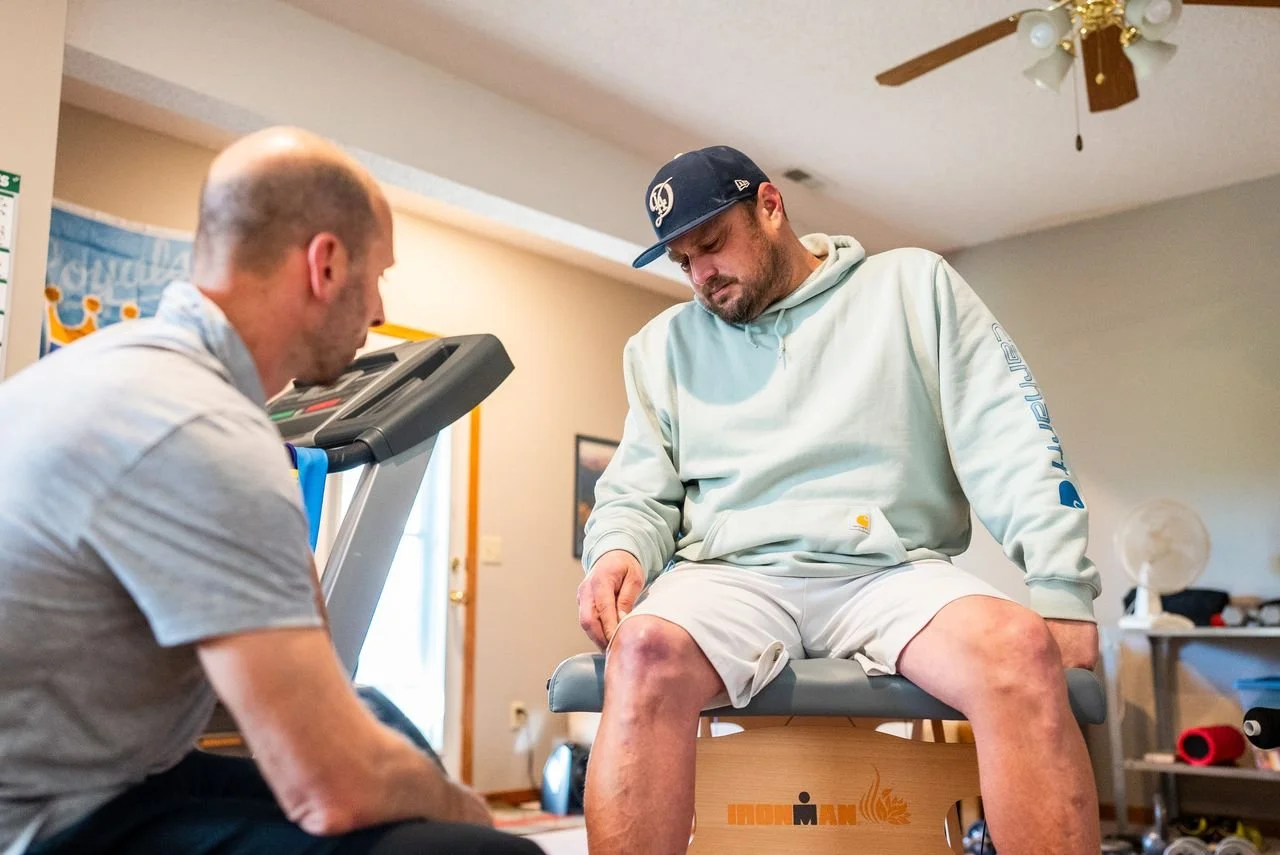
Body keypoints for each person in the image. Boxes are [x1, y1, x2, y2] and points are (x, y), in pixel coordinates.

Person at [0, 127, 541, 855]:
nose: (379, 308)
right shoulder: (203, 429)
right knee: (477, 850)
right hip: (45, 824)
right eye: (378, 273)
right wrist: (464, 807)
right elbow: (332, 786)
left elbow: (304, 640)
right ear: (325, 263)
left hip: (105, 774)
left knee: (377, 733)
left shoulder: (119, 367)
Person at [576, 145, 1102, 855]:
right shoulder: (661, 347)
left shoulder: (913, 287)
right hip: (731, 575)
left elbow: (1009, 436)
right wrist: (614, 549)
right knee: (639, 654)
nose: (702, 274)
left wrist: (1061, 585)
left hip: (889, 569)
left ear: (769, 206)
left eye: (712, 244)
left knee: (1019, 647)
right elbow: (637, 490)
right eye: (683, 261)